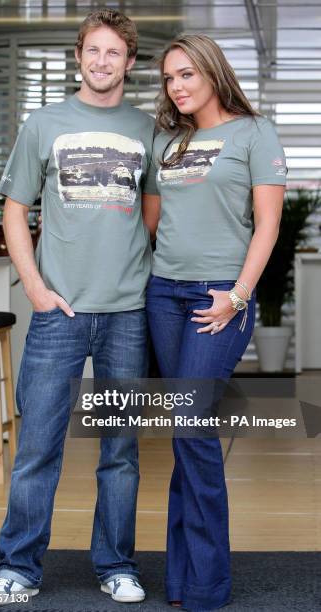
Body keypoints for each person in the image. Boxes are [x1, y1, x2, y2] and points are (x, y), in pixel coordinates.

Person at [0, 9, 159, 606]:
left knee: (121, 451)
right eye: (93, 50)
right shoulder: (44, 124)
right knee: (39, 446)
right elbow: (14, 208)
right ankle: (18, 569)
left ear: (129, 62)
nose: (102, 61)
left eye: (115, 52)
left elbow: (152, 211)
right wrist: (34, 286)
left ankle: (116, 565)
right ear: (79, 55)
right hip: (58, 311)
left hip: (128, 311)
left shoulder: (148, 128)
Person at [143, 34, 287, 611]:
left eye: (186, 75)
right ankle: (183, 580)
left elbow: (269, 225)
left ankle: (206, 584)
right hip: (163, 295)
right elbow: (152, 225)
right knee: (185, 433)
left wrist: (238, 294)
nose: (177, 87)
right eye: (169, 78)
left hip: (219, 296)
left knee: (192, 427)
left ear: (212, 71)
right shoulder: (167, 140)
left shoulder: (255, 133)